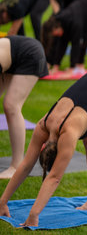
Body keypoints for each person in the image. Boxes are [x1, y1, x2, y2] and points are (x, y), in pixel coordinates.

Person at [0, 62, 87, 227]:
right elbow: (25, 165)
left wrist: (34, 215)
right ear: (44, 147)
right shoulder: (42, 125)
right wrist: (2, 201)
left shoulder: (68, 133)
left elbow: (54, 177)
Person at [0, 36, 48, 179]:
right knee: (10, 106)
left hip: (30, 54)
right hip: (13, 56)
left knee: (11, 106)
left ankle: (16, 166)